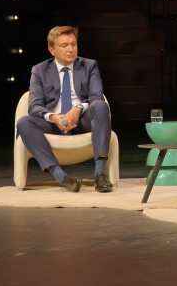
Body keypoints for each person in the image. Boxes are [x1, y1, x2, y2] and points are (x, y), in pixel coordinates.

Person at [16, 26, 114, 193]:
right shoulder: (39, 70)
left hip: (83, 121)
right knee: (24, 122)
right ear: (51, 50)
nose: (70, 49)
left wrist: (77, 108)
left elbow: (96, 96)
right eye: (64, 45)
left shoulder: (89, 66)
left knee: (100, 105)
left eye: (73, 44)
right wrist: (54, 117)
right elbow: (34, 106)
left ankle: (100, 174)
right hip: (53, 124)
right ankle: (62, 178)